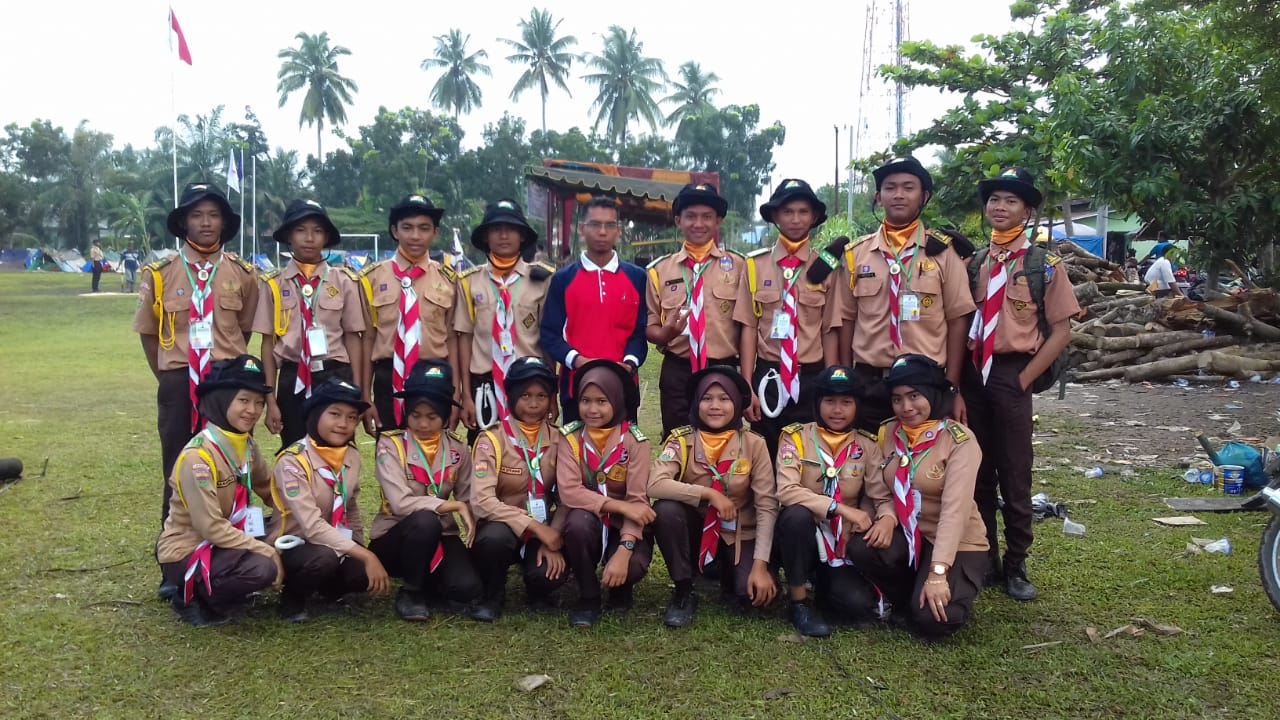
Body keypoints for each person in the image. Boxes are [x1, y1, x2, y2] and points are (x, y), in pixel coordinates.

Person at [133, 182, 258, 601]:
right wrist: (169, 376)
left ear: (224, 222)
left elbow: (242, 330)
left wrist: (223, 372)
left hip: (226, 384)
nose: (206, 223)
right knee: (177, 468)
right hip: (178, 380)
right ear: (184, 221)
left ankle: (233, 555)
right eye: (197, 215)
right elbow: (149, 334)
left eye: (214, 215)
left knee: (232, 466)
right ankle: (174, 565)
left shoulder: (243, 274)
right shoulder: (159, 273)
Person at [961, 167, 1080, 601]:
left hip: (1012, 372)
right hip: (974, 374)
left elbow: (1062, 331)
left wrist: (1025, 378)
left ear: (1027, 212)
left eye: (1011, 201)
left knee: (1015, 472)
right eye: (994, 199)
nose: (1000, 207)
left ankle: (1016, 565)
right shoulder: (974, 263)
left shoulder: (1043, 265)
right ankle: (986, 557)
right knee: (976, 469)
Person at [847, 355, 990, 640]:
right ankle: (905, 599)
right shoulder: (889, 432)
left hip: (956, 541)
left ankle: (942, 588)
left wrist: (937, 573)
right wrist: (885, 516)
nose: (906, 407)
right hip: (910, 534)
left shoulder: (959, 440)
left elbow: (955, 512)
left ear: (932, 393)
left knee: (935, 621)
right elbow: (880, 488)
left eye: (914, 396)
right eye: (897, 399)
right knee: (863, 547)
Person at [832, 157, 977, 430]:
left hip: (926, 384)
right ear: (878, 197)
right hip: (870, 382)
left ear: (924, 196)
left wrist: (952, 386)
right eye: (890, 187)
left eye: (908, 187)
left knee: (926, 456)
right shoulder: (856, 254)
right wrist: (846, 380)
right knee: (870, 454)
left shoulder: (944, 253)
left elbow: (957, 320)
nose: (898, 195)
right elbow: (846, 320)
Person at [156, 354, 281, 626]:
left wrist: (294, 520)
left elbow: (268, 488)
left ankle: (224, 587)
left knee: (287, 541)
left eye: (259, 402)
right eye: (244, 400)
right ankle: (191, 596)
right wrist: (267, 550)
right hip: (189, 548)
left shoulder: (245, 445)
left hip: (229, 538)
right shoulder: (198, 458)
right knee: (263, 567)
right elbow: (210, 527)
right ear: (222, 400)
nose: (253, 410)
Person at [648, 367, 777, 628]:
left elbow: (767, 505)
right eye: (706, 398)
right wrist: (707, 494)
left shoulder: (754, 444)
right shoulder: (682, 440)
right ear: (696, 402)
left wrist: (760, 566)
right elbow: (655, 484)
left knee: (752, 597)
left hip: (738, 532)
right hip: (696, 529)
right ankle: (684, 590)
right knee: (666, 510)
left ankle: (730, 573)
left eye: (724, 398)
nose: (715, 406)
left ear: (737, 402)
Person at [774, 366, 887, 636]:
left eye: (846, 402)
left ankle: (824, 584)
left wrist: (882, 517)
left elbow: (879, 495)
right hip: (801, 534)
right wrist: (840, 509)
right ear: (817, 403)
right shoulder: (796, 437)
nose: (837, 410)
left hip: (840, 541)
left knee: (857, 604)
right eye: (830, 401)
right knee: (796, 515)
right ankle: (798, 602)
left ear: (857, 406)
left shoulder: (867, 445)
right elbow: (787, 490)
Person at [734, 178, 842, 459]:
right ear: (774, 216)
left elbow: (829, 329)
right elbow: (749, 327)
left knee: (810, 455)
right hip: (768, 375)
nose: (795, 219)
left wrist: (831, 384)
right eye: (787, 212)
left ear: (814, 217)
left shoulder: (825, 267)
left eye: (803, 212)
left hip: (811, 376)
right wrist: (747, 386)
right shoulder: (755, 265)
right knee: (767, 453)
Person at [269, 378, 391, 622]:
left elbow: (350, 506)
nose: (343, 424)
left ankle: (326, 589)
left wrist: (357, 546)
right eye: (334, 414)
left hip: (333, 540)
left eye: (351, 417)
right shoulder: (293, 461)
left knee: (361, 576)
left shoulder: (350, 454)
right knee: (323, 559)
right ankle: (292, 596)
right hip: (295, 543)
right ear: (316, 414)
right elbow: (312, 526)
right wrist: (366, 555)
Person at [369, 359, 482, 621]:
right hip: (396, 535)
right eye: (415, 415)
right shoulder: (390, 445)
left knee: (467, 589)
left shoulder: (458, 449)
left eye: (432, 417)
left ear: (444, 415)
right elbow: (400, 504)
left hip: (442, 532)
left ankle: (432, 580)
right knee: (425, 520)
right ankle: (411, 591)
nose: (422, 424)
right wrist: (452, 506)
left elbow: (468, 497)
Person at [255, 199, 367, 449]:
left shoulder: (344, 281)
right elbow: (267, 345)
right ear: (288, 235)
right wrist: (270, 400)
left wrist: (358, 391)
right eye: (300, 230)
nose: (309, 238)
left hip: (335, 374)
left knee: (337, 448)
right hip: (292, 375)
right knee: (295, 449)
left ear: (326, 237)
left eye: (317, 231)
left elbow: (353, 338)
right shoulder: (273, 284)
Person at [555, 360, 655, 627]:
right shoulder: (570, 438)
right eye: (585, 401)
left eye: (602, 401)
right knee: (577, 524)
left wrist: (625, 549)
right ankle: (588, 595)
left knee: (632, 564)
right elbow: (570, 492)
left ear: (617, 400)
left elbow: (637, 502)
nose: (592, 409)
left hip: (624, 525)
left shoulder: (635, 442)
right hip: (588, 518)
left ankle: (620, 590)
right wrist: (619, 506)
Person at [469, 357, 568, 620]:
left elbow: (568, 496)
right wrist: (533, 526)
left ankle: (538, 591)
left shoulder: (560, 439)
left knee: (547, 575)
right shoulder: (491, 439)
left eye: (541, 396)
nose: (533, 404)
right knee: (493, 539)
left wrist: (553, 535)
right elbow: (481, 501)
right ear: (511, 396)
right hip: (503, 526)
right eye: (525, 395)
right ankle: (493, 594)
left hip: (544, 528)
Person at [645, 183, 745, 438]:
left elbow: (748, 327)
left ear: (718, 221)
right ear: (678, 220)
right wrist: (665, 334)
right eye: (690, 216)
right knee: (678, 440)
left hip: (723, 367)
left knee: (725, 442)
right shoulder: (659, 270)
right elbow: (650, 326)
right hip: (678, 370)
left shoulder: (739, 266)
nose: (698, 224)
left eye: (707, 217)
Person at [539, 197, 648, 422]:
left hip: (623, 386)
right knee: (576, 445)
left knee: (623, 445)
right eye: (595, 224)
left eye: (609, 225)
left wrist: (629, 364)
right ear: (582, 229)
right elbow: (549, 334)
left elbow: (639, 331)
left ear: (618, 231)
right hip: (576, 387)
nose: (602, 231)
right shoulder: (562, 279)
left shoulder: (637, 277)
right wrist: (576, 360)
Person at [359, 194, 460, 434]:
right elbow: (369, 338)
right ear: (395, 231)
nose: (415, 236)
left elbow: (452, 338)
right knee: (390, 447)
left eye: (424, 228)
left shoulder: (449, 280)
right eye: (407, 228)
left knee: (433, 450)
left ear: (435, 233)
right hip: (388, 376)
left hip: (434, 375)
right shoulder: (371, 278)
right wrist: (365, 395)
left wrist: (456, 392)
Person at [455, 199, 556, 437]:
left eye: (511, 229)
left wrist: (552, 395)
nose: (503, 236)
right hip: (485, 384)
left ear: (522, 236)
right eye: (496, 229)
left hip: (530, 384)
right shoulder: (468, 282)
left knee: (531, 449)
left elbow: (547, 340)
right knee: (484, 447)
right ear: (485, 236)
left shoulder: (542, 279)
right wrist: (466, 395)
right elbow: (464, 339)